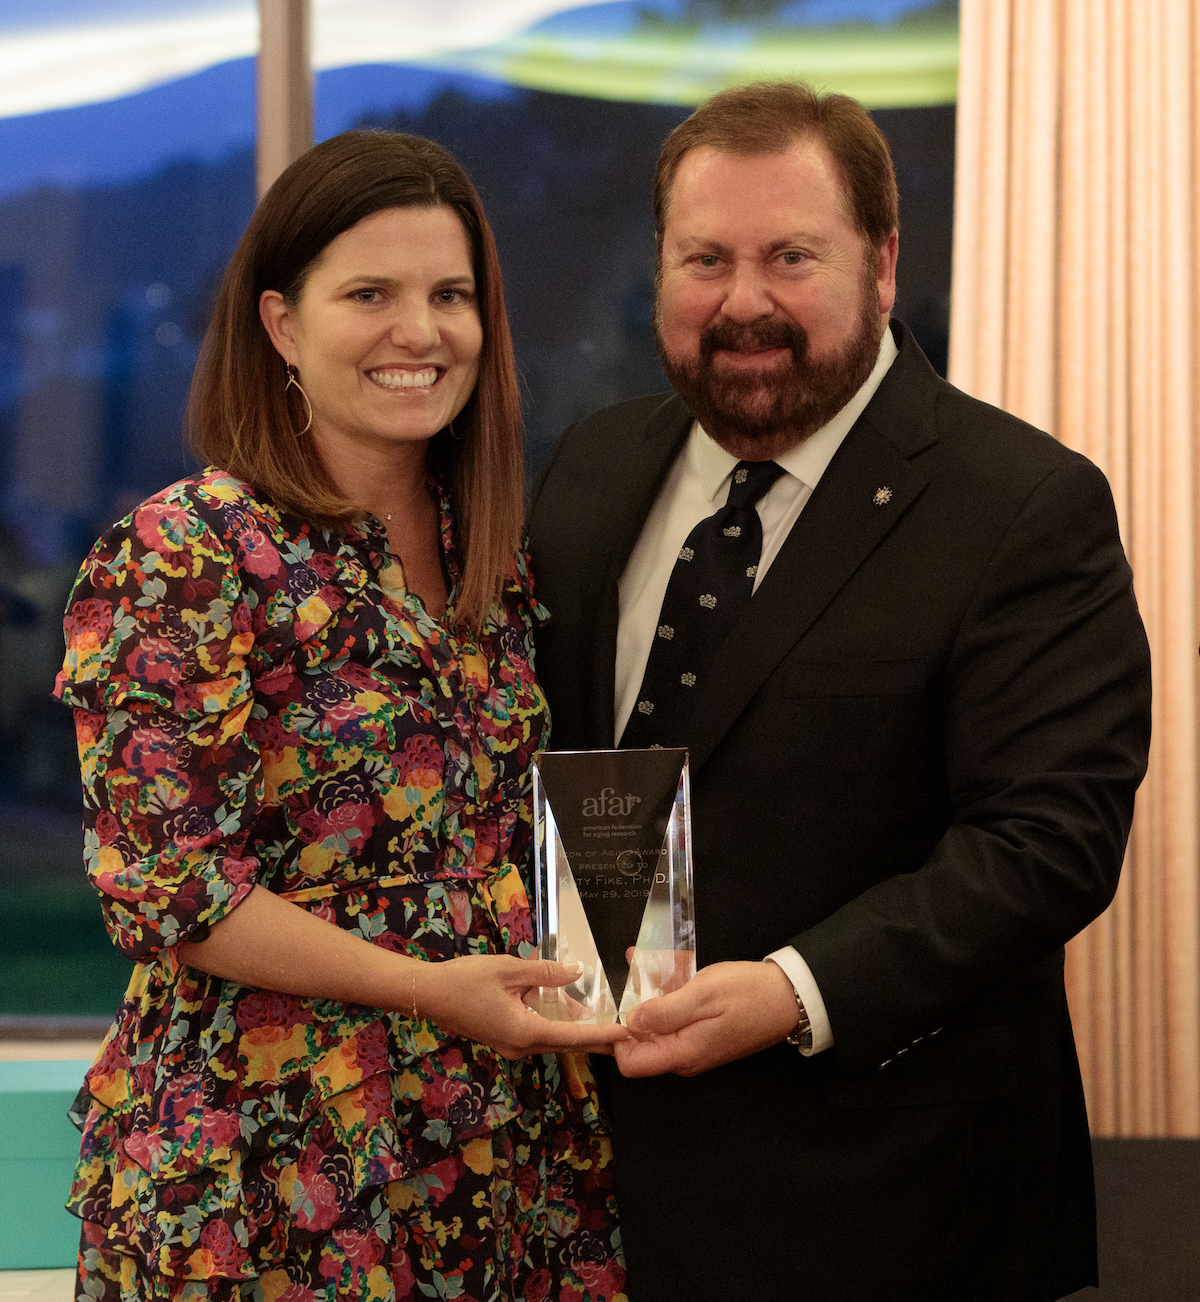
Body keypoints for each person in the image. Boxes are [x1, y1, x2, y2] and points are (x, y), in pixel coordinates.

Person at [526, 82, 1152, 1301]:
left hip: (893, 1205)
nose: (743, 300)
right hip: (600, 1196)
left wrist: (791, 992)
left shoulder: (1023, 506)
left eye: (790, 256)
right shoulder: (591, 467)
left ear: (882, 264)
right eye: (706, 258)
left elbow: (1048, 843)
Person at [55, 130, 630, 1302]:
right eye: (371, 294)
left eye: (450, 296)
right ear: (281, 325)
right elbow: (170, 888)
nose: (421, 332)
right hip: (270, 1158)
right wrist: (428, 988)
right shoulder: (188, 553)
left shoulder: (500, 559)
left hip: (494, 1140)